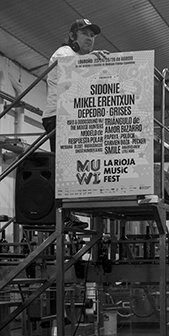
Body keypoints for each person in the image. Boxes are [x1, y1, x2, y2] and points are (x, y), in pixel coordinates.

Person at [42, 19, 109, 229]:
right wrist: (91, 60)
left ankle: (66, 214)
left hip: (70, 117)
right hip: (58, 117)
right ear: (72, 36)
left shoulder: (79, 57)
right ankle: (60, 215)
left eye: (93, 35)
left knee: (72, 168)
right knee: (63, 168)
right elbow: (70, 74)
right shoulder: (63, 53)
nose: (90, 38)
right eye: (85, 34)